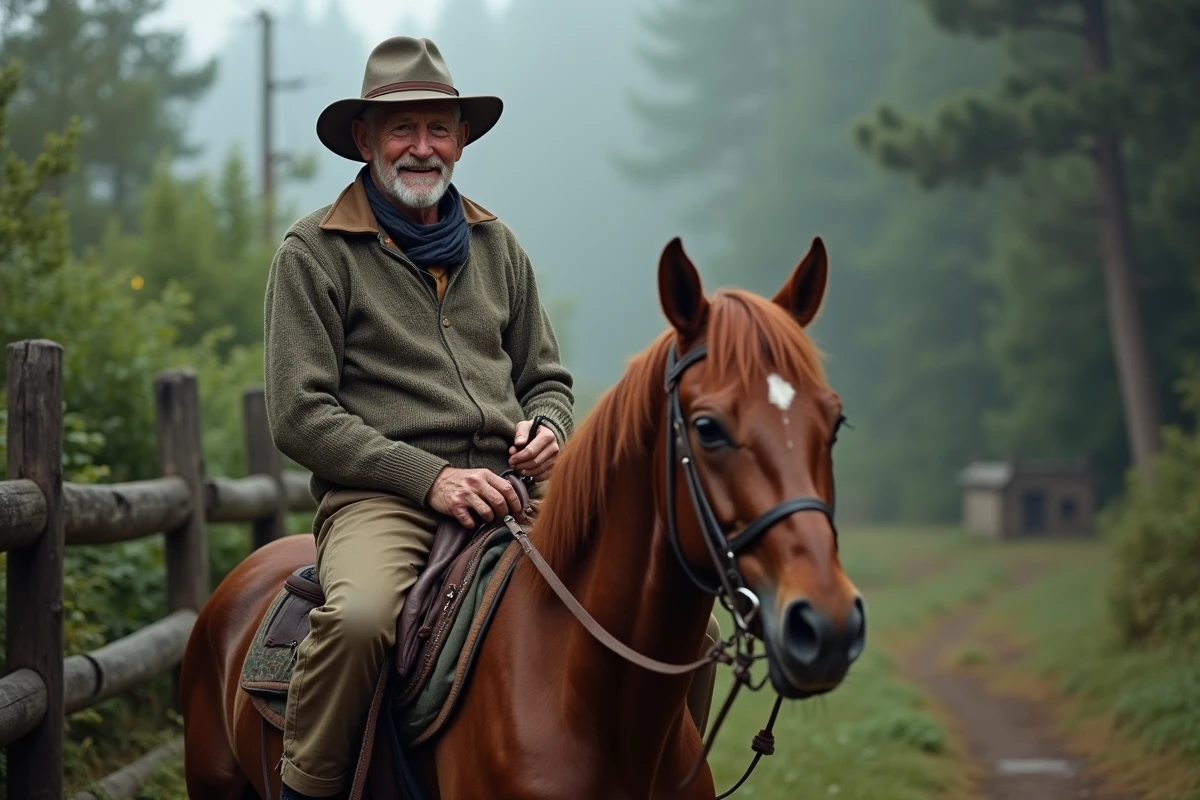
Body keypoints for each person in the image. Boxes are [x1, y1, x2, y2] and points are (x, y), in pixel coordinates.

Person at [264, 36, 716, 800]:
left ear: (461, 141)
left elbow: (546, 377)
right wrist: (430, 477)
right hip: (384, 497)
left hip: (515, 491)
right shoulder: (313, 252)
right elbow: (299, 415)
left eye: (438, 128)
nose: (421, 146)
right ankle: (307, 790)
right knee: (360, 621)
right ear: (365, 139)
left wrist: (547, 428)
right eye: (401, 128)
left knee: (677, 631)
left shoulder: (497, 245)